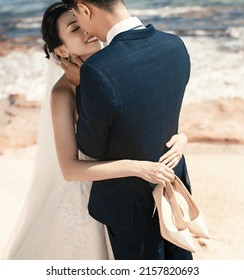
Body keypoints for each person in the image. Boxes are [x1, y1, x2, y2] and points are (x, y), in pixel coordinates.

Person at [5, 2, 188, 260]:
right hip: (98, 198)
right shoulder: (63, 93)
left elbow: (149, 110)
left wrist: (182, 136)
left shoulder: (114, 65)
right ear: (61, 49)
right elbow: (69, 169)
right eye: (74, 28)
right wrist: (138, 167)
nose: (86, 31)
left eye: (82, 22)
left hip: (142, 194)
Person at [61, 0, 193, 260]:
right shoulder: (175, 45)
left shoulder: (98, 70)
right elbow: (162, 112)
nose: (84, 30)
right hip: (173, 186)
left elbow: (91, 147)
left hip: (130, 207)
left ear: (85, 9)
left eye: (77, 17)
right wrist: (183, 137)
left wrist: (82, 89)